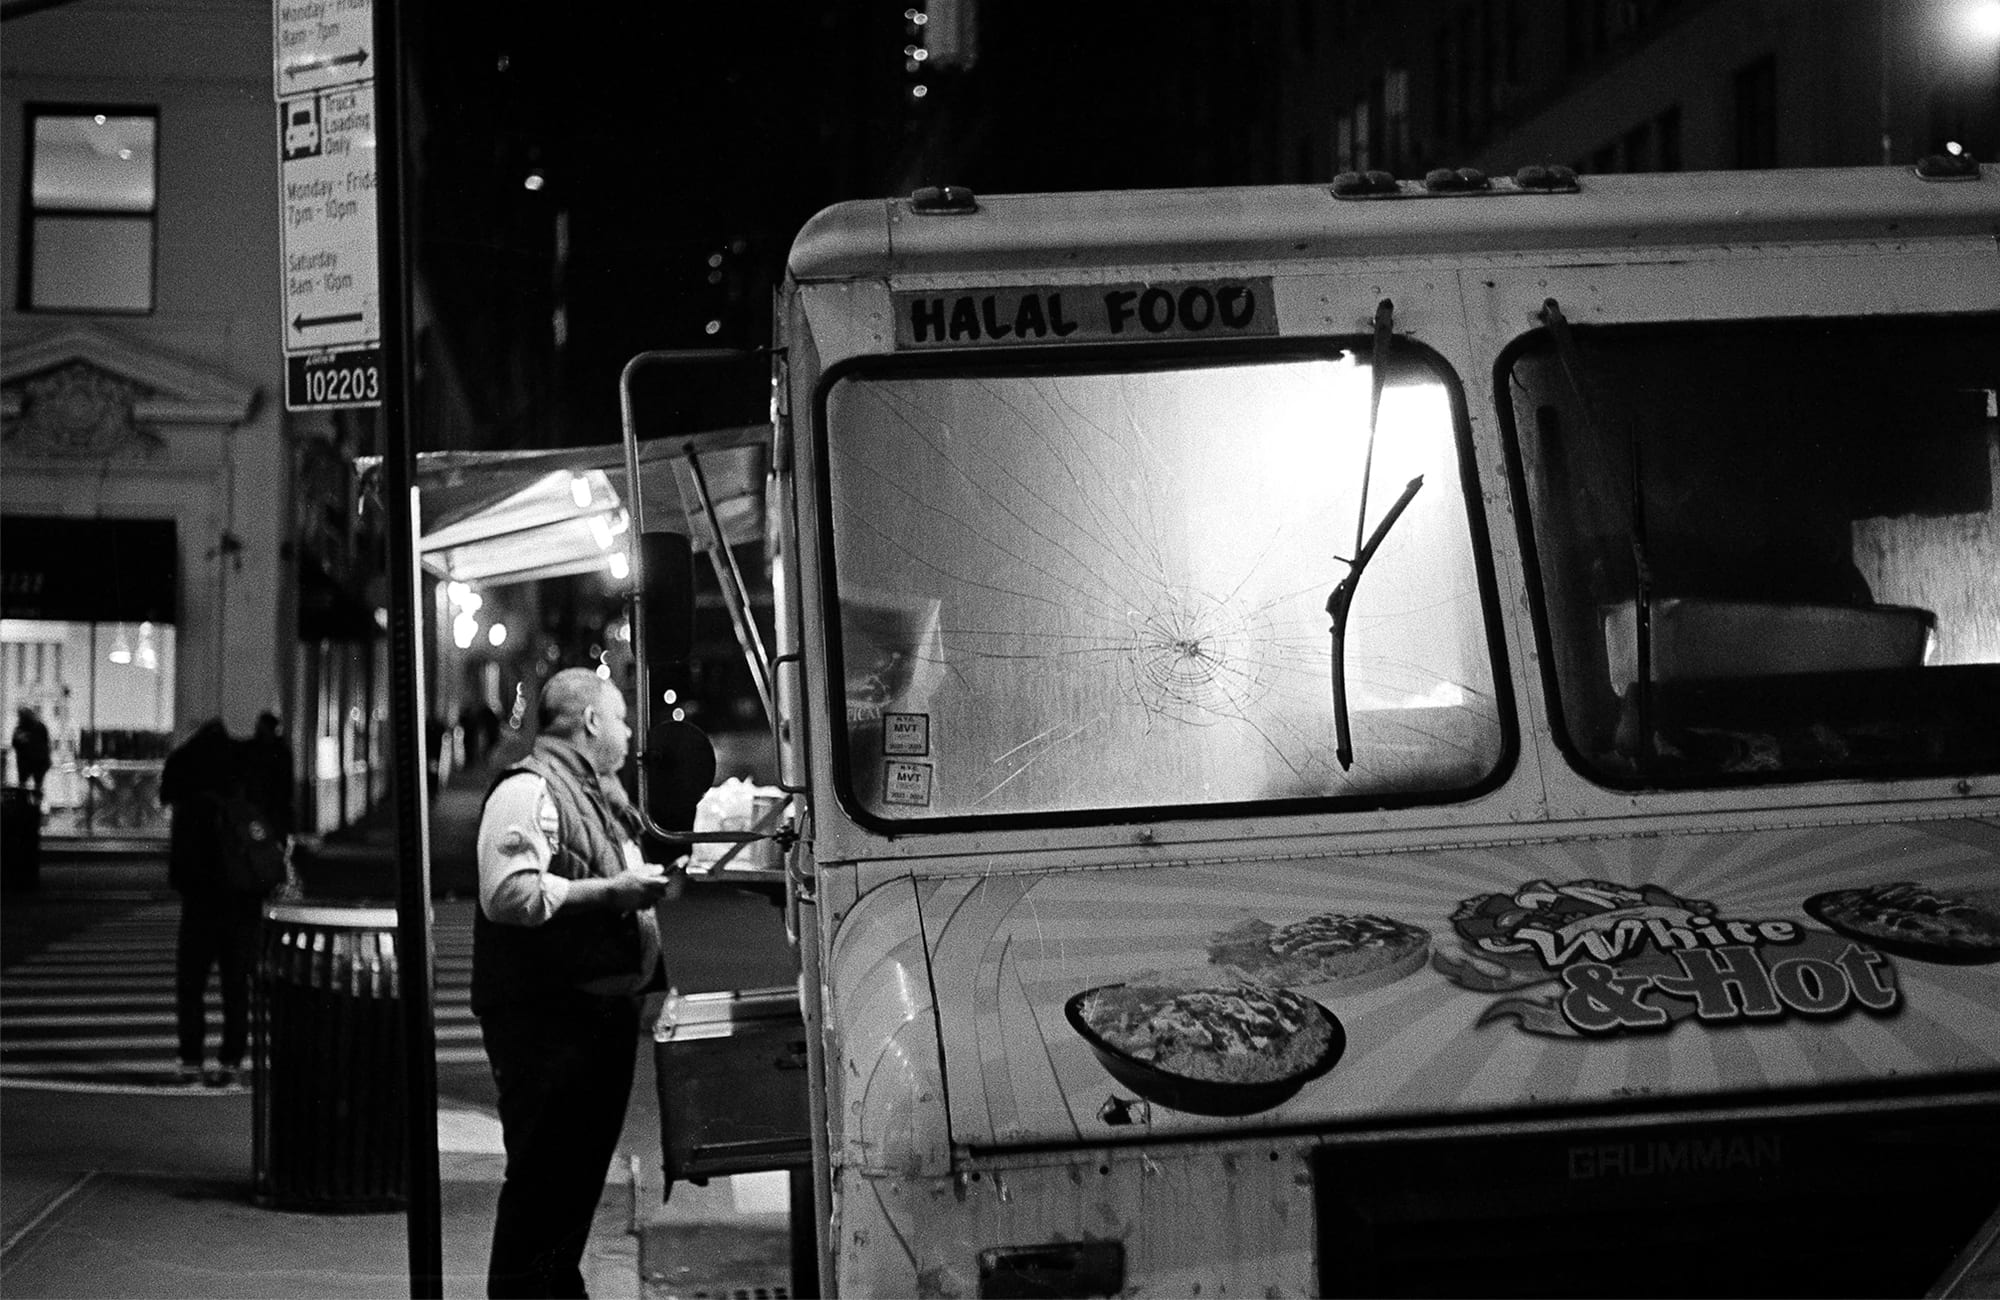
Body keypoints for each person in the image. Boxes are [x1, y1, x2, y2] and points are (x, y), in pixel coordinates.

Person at [473, 667, 677, 1298]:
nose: (626, 732)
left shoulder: (595, 793)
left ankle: (554, 1288)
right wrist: (613, 892)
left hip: (591, 1021)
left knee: (573, 1185)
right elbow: (509, 894)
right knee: (546, 1184)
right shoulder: (529, 788)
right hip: (549, 1025)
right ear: (589, 721)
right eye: (618, 717)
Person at [159, 717, 262, 1087]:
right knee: (236, 986)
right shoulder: (242, 773)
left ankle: (190, 1060)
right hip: (240, 901)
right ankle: (230, 1061)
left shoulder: (189, 787)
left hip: (200, 899)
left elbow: (180, 853)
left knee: (191, 984)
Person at [11, 706, 51, 803]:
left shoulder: (30, 728)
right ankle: (27, 804)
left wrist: (25, 740)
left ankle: (29, 804)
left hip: (35, 761)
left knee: (31, 785)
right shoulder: (23, 728)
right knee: (30, 785)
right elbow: (15, 743)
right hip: (32, 762)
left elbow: (43, 743)